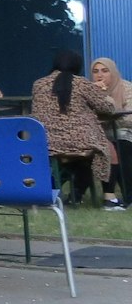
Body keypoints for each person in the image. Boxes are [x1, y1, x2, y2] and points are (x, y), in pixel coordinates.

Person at [30, 49, 123, 209]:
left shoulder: (38, 84)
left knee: (81, 161)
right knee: (109, 150)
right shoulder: (82, 83)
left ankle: (74, 194)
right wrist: (101, 93)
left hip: (45, 142)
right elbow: (107, 108)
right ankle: (109, 197)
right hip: (79, 141)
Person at [89, 57, 132, 202]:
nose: (99, 75)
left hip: (124, 132)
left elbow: (130, 118)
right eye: (95, 71)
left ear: (112, 72)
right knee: (104, 149)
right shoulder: (89, 90)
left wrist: (113, 115)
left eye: (105, 71)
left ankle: (128, 193)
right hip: (98, 134)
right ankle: (109, 195)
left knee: (122, 147)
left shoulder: (126, 87)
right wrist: (97, 94)